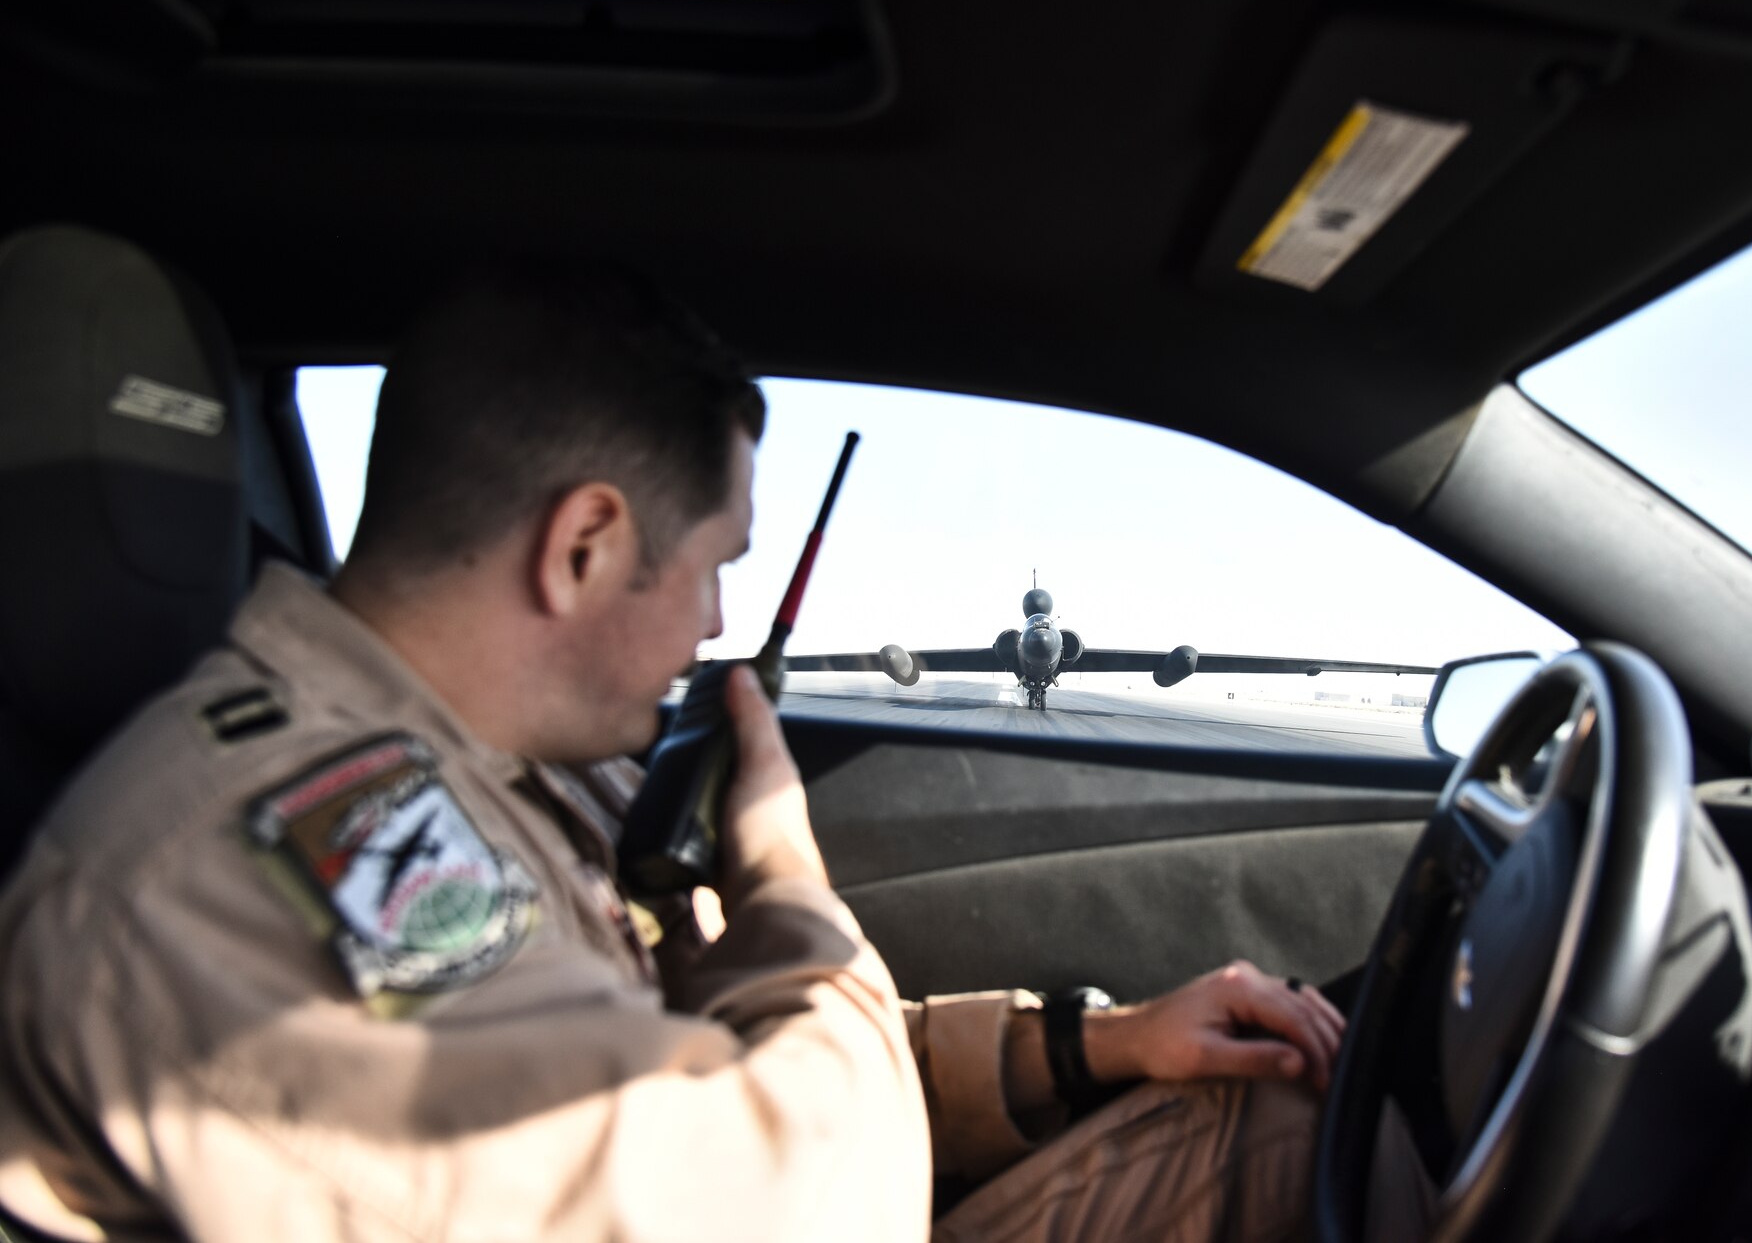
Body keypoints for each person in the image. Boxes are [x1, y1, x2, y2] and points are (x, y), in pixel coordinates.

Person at [0, 262, 1343, 1241]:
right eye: (714, 568)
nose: (716, 623)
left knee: (1275, 1118)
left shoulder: (518, 775)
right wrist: (788, 883)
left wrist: (1098, 1047)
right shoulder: (301, 840)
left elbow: (703, 1070)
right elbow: (789, 1205)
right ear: (583, 547)